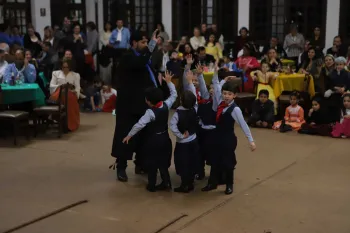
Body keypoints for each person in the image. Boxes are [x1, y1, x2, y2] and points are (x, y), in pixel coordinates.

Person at [111, 30, 161, 182]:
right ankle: (121, 167)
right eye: (143, 42)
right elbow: (139, 64)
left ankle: (141, 164)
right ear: (134, 43)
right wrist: (152, 45)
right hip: (128, 105)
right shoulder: (128, 57)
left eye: (147, 42)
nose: (145, 45)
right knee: (125, 136)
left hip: (142, 104)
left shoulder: (144, 58)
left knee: (144, 135)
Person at [123, 71, 177, 192]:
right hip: (165, 138)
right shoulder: (166, 105)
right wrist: (169, 82)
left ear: (148, 101)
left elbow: (139, 125)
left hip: (153, 141)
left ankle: (151, 185)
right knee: (163, 163)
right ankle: (166, 182)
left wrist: (129, 135)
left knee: (152, 163)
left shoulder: (150, 113)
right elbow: (174, 94)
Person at [202, 80, 256, 195]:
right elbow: (216, 87)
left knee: (228, 162)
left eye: (229, 94)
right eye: (225, 93)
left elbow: (243, 124)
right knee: (214, 160)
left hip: (228, 139)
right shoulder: (221, 103)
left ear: (234, 95)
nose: (226, 96)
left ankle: (229, 184)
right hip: (216, 137)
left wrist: (251, 140)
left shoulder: (235, 109)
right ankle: (212, 183)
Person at [170, 72, 199, 193]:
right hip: (193, 140)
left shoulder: (178, 113)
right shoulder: (195, 108)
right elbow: (195, 97)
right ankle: (191, 183)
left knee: (182, 163)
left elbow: (172, 126)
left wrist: (180, 135)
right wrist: (191, 83)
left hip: (182, 143)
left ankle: (184, 185)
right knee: (192, 162)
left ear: (181, 101)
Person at [50, 60, 80, 131]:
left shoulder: (75, 75)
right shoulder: (55, 73)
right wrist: (62, 86)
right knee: (64, 92)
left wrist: (74, 91)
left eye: (67, 67)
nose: (65, 69)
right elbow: (52, 85)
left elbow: (77, 88)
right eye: (64, 67)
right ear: (61, 67)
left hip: (70, 94)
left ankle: (70, 124)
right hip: (58, 93)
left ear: (70, 67)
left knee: (69, 96)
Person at [324, 57, 350, 122]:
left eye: (341, 64)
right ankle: (333, 121)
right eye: (337, 64)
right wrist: (335, 88)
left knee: (342, 101)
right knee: (331, 101)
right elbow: (329, 84)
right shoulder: (332, 73)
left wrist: (344, 88)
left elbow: (348, 83)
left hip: (344, 92)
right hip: (334, 91)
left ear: (344, 65)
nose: (339, 66)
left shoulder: (347, 73)